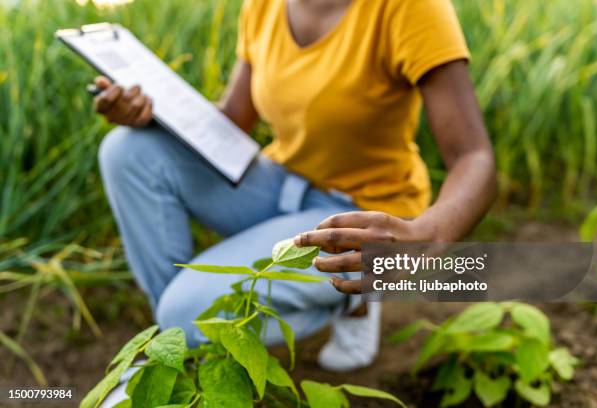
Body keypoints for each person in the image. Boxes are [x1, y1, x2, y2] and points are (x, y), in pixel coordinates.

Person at [94, 0, 496, 373]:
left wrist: (426, 236)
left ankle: (353, 298)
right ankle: (178, 352)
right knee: (129, 151)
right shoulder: (264, 4)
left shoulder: (408, 8)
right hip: (278, 186)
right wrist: (151, 116)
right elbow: (233, 120)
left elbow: (473, 157)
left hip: (361, 215)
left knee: (189, 312)